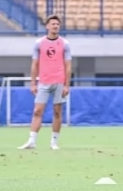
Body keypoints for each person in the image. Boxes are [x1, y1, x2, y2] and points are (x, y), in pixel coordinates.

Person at [18, 15, 72, 150]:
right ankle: (32, 141)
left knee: (57, 111)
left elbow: (68, 65)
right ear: (47, 26)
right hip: (44, 81)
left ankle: (54, 141)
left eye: (57, 24)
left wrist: (67, 85)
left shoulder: (65, 44)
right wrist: (33, 83)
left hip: (59, 81)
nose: (55, 26)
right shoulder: (39, 43)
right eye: (53, 24)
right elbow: (34, 64)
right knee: (37, 110)